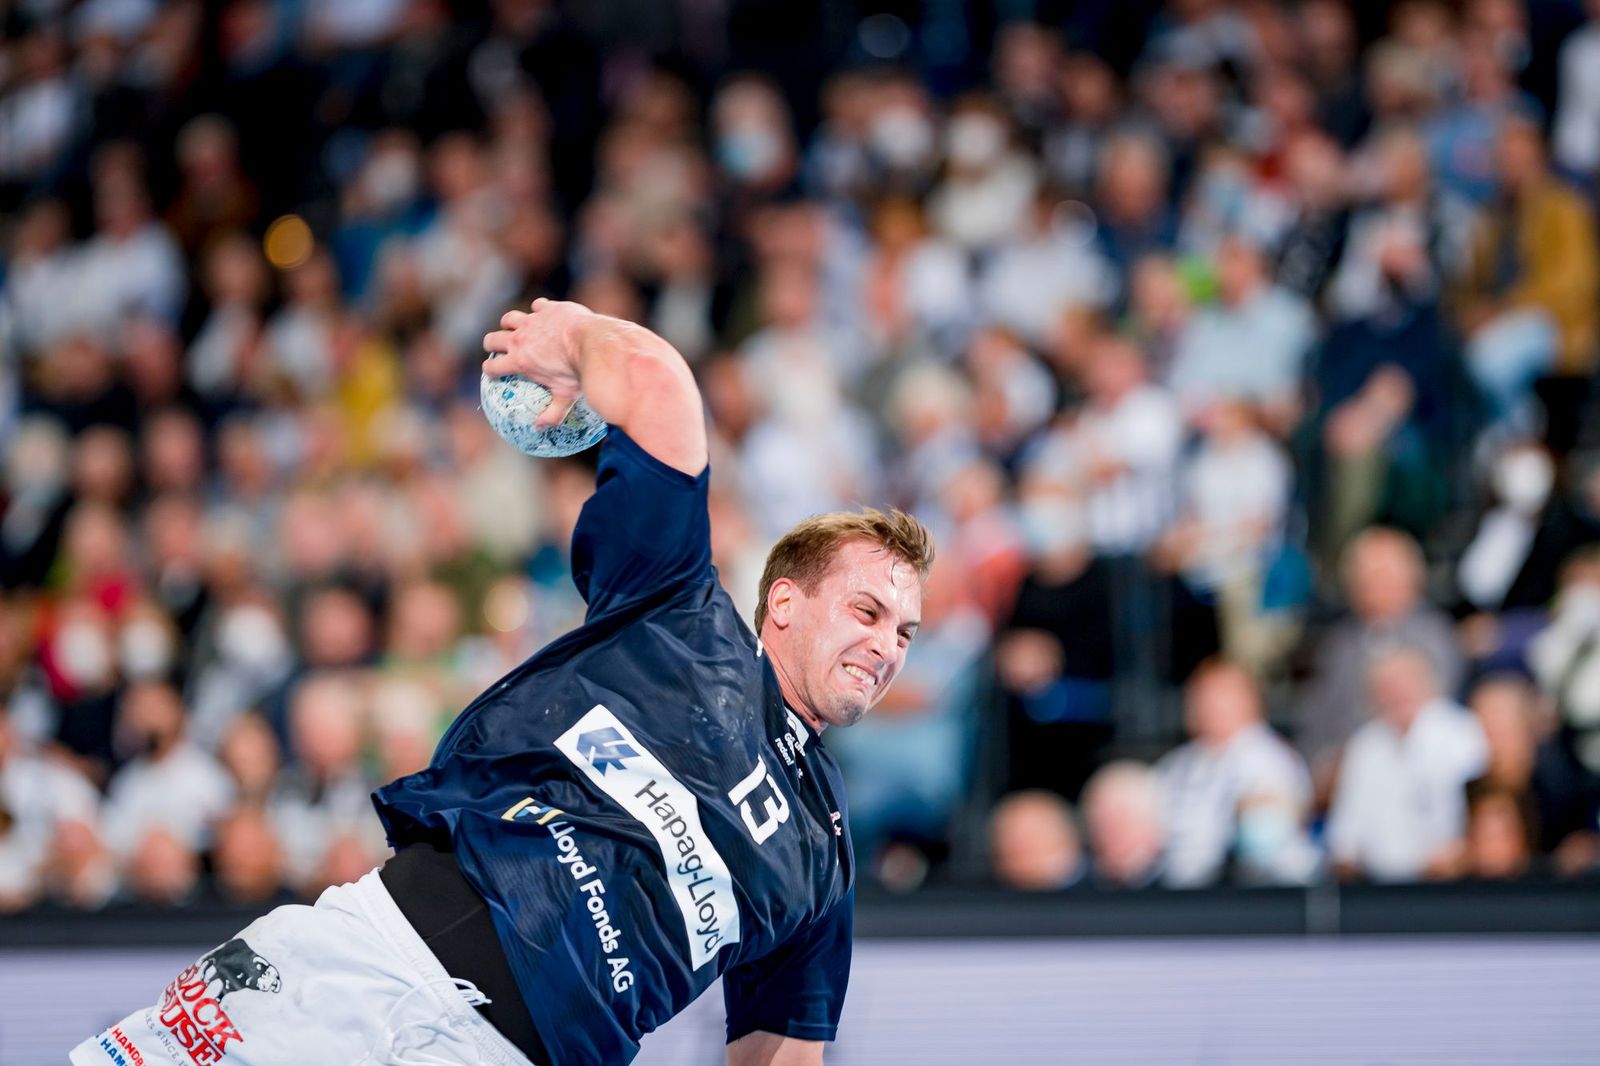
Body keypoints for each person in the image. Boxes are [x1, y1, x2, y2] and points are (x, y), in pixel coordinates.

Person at [71, 299, 933, 1066]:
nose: (885, 645)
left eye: (903, 632)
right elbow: (657, 384)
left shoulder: (823, 856)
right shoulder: (678, 608)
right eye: (865, 610)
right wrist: (572, 332)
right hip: (362, 954)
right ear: (783, 601)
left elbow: (783, 1050)